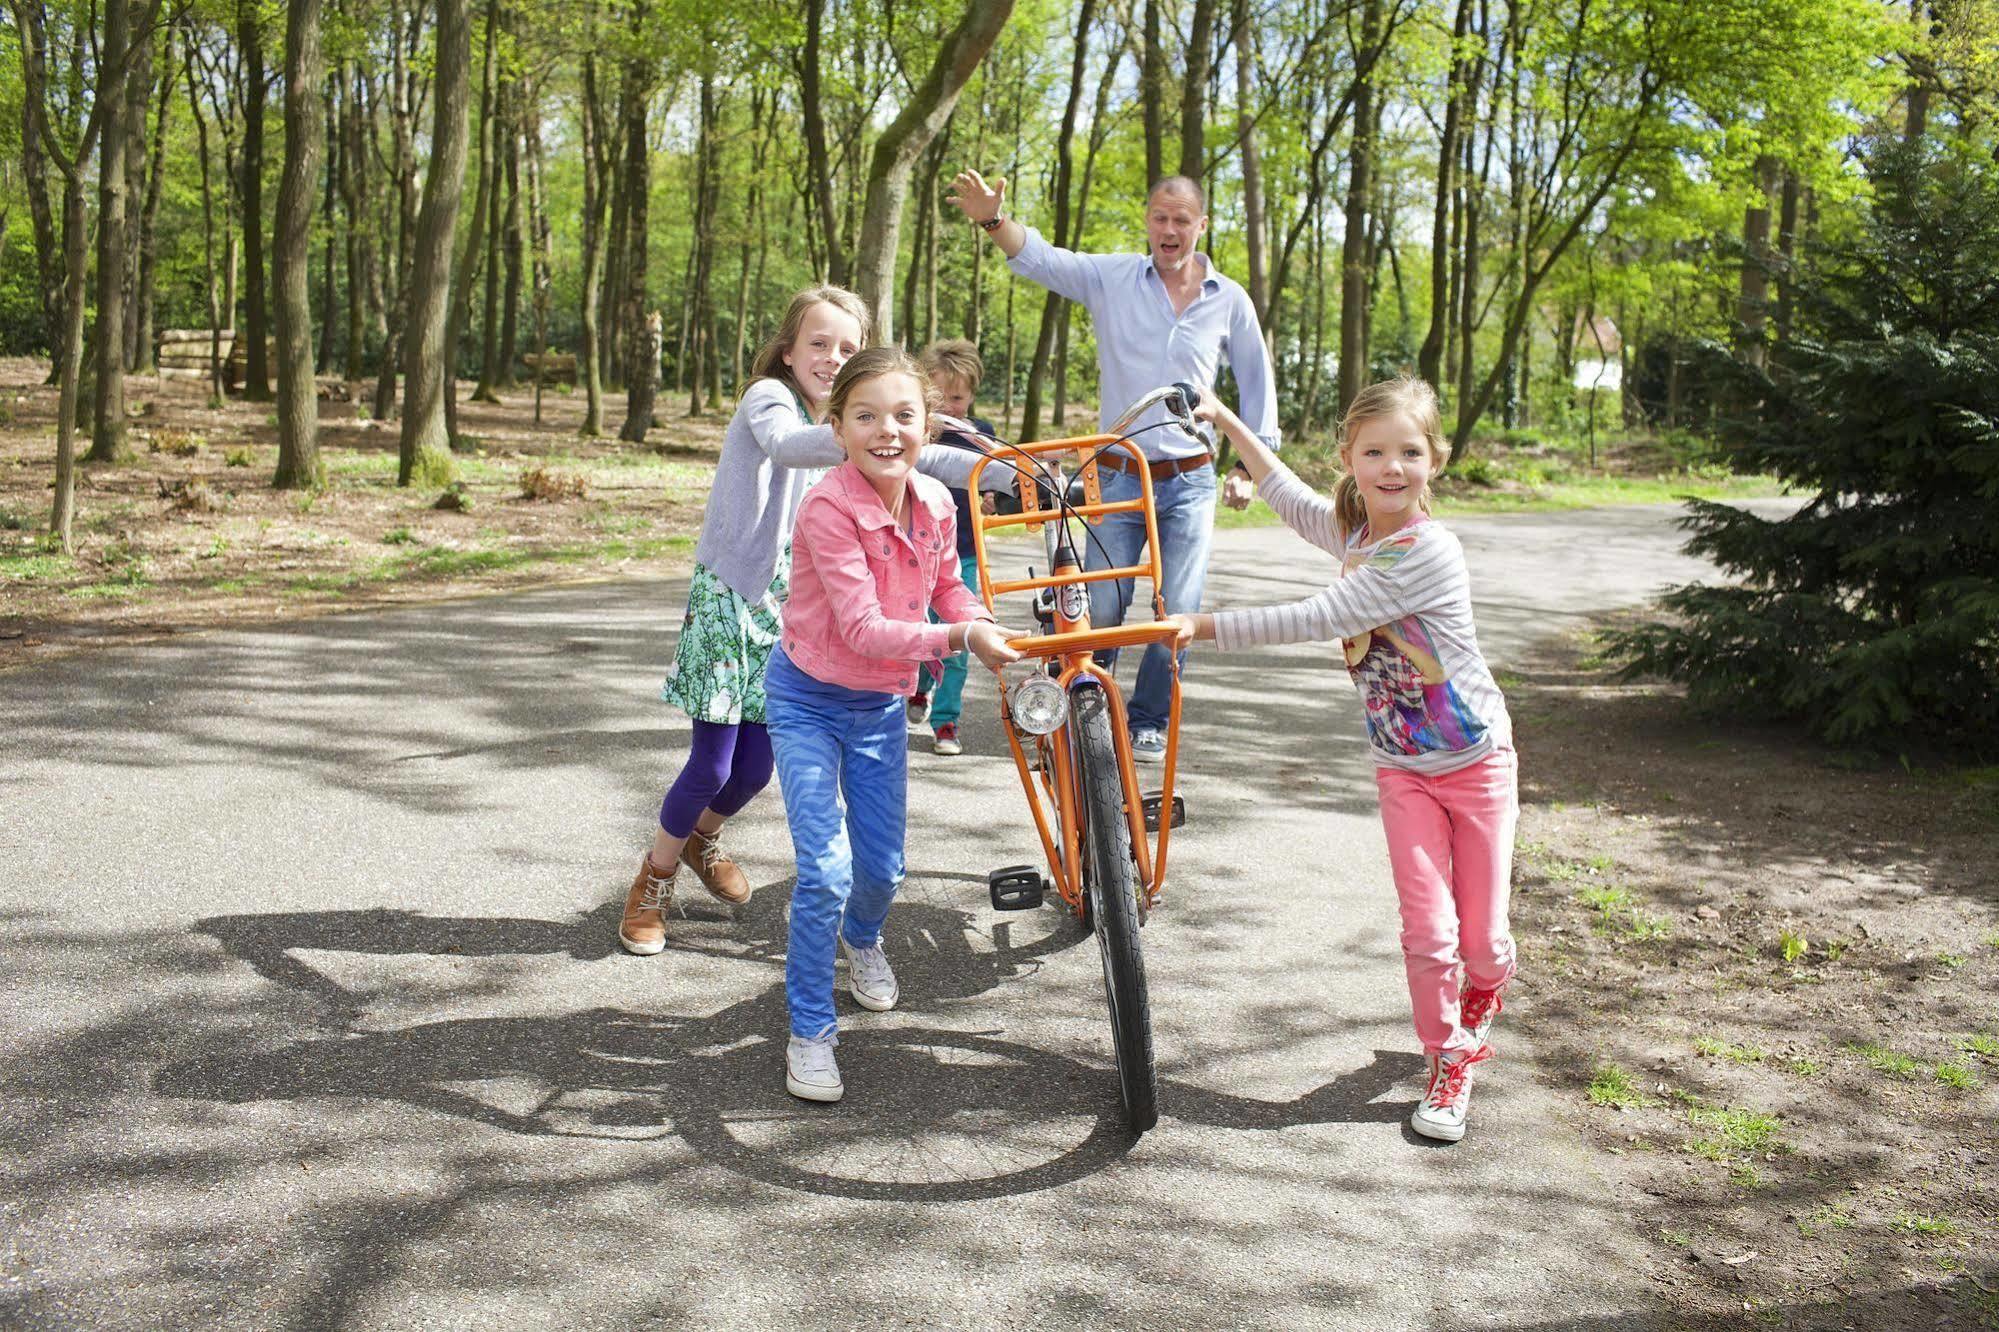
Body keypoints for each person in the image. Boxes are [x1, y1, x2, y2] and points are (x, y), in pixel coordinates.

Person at [1165, 378, 1518, 1144]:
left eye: (1409, 453)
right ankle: (1447, 1059)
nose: (1392, 468)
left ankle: (1486, 987)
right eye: (1375, 453)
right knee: (1429, 933)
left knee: (1482, 943)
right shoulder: (1358, 536)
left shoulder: (1427, 552)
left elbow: (1318, 616)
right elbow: (1287, 496)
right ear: (1350, 459)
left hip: (1476, 761)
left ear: (1436, 460)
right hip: (1402, 768)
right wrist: (1225, 420)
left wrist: (1199, 624)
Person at [622, 286, 1006, 958]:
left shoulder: (855, 423)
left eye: (847, 347)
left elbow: (918, 458)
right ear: (789, 351)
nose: (832, 356)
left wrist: (1005, 472)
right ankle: (653, 878)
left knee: (752, 773)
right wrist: (871, 428)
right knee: (712, 765)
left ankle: (700, 839)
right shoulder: (769, 402)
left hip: (796, 613)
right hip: (732, 597)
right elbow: (789, 445)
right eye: (819, 344)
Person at [946, 168, 1278, 763]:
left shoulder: (1229, 300)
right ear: (1147, 222)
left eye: (1182, 219)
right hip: (1117, 470)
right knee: (1100, 607)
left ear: (1202, 225)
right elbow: (1045, 260)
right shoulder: (1114, 278)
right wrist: (994, 219)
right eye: (1160, 217)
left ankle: (1148, 718)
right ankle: (1086, 709)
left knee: (1176, 608)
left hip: (1192, 477)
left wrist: (1249, 467)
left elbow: (1257, 389)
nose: (1170, 229)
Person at [766, 347, 1022, 1103]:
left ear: (930, 424)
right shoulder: (825, 507)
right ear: (836, 426)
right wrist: (956, 640)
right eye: (866, 416)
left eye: (904, 415)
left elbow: (948, 586)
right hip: (806, 699)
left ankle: (864, 938)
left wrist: (978, 623)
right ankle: (809, 1029)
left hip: (879, 708)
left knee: (883, 872)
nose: (887, 430)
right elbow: (863, 628)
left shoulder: (939, 503)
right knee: (824, 872)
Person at [907, 338, 997, 757]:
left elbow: (997, 483)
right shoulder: (915, 435)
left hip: (962, 552)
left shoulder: (982, 436)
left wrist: (994, 497)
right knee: (920, 630)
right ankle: (920, 686)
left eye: (957, 398)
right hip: (912, 551)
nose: (948, 407)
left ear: (972, 395)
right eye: (939, 398)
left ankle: (946, 722)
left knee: (959, 636)